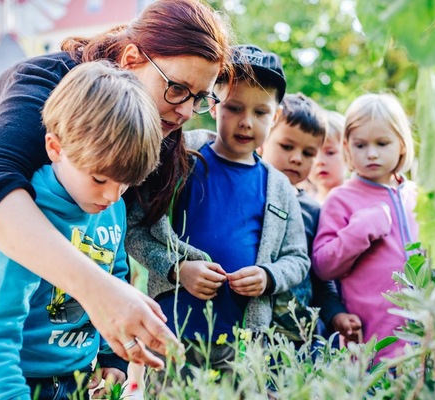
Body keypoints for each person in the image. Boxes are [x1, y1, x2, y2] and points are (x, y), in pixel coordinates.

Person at [0, 0, 233, 367]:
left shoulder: (157, 125)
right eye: (176, 88)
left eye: (199, 98)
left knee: (60, 341)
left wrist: (109, 358)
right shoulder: (47, 82)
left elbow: (110, 239)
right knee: (6, 341)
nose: (187, 111)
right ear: (131, 59)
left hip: (50, 214)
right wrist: (97, 290)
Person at [0, 61, 162, 400]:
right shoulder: (25, 219)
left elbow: (116, 275)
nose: (112, 196)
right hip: (8, 380)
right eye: (99, 179)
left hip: (75, 378)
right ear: (56, 148)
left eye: (125, 183)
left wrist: (113, 357)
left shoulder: (111, 208)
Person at [130, 44, 309, 375]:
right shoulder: (181, 157)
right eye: (234, 108)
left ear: (277, 116)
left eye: (260, 113)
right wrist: (177, 269)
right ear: (213, 105)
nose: (246, 123)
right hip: (174, 332)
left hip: (242, 343)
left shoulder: (279, 187)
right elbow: (136, 230)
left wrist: (268, 277)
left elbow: (298, 259)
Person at [312, 93, 418, 362]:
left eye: (382, 143)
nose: (371, 153)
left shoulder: (417, 196)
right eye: (360, 145)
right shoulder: (341, 199)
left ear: (402, 145)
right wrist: (359, 231)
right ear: (347, 147)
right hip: (371, 342)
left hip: (423, 340)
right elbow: (323, 266)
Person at [257, 93, 362, 347]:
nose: (297, 158)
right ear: (262, 141)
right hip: (252, 335)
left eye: (308, 152)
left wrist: (336, 314)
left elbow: (320, 279)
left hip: (300, 339)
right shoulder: (249, 195)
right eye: (286, 146)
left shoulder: (313, 211)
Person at [308, 110, 348, 204]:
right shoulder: (304, 205)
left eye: (330, 152)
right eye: (311, 153)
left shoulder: (357, 200)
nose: (319, 161)